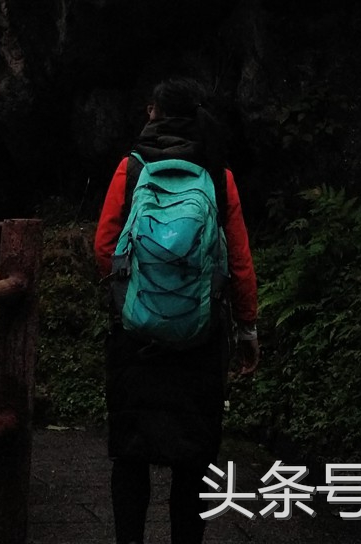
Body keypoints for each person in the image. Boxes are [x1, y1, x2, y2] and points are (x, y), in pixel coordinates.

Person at [94, 79, 259, 544]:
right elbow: (239, 261)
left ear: (154, 114)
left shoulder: (131, 170)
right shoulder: (218, 176)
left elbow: (105, 245)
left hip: (136, 338)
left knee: (131, 453)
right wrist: (246, 327)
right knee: (193, 459)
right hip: (201, 337)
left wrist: (133, 297)